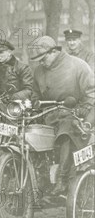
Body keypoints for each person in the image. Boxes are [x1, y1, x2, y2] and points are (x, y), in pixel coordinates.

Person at [29, 35, 95, 196]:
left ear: (53, 52)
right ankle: (37, 180)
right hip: (48, 115)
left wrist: (84, 109)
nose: (41, 62)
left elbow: (92, 94)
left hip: (75, 115)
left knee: (66, 131)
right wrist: (34, 102)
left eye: (43, 58)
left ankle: (62, 179)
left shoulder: (78, 65)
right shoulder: (39, 71)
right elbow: (34, 92)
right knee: (29, 132)